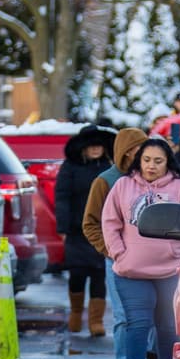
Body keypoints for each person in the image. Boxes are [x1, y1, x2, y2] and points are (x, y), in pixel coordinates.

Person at [102, 138, 180, 359]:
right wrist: (119, 253)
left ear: (168, 162)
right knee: (138, 322)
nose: (151, 166)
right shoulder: (123, 185)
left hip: (170, 269)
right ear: (139, 160)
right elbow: (110, 222)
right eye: (146, 160)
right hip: (130, 270)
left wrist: (179, 251)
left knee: (168, 325)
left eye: (158, 161)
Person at [82, 127, 149, 359]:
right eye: (138, 149)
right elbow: (90, 223)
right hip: (119, 260)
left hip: (153, 260)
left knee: (154, 317)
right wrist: (111, 251)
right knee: (124, 315)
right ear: (126, 152)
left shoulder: (154, 177)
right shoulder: (105, 181)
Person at [54, 125, 114, 336]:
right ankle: (76, 313)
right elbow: (62, 196)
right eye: (91, 146)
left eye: (99, 145)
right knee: (77, 274)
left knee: (99, 275)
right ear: (82, 148)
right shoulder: (70, 167)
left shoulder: (108, 167)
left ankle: (96, 322)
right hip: (76, 231)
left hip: (102, 230)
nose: (96, 149)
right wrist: (62, 227)